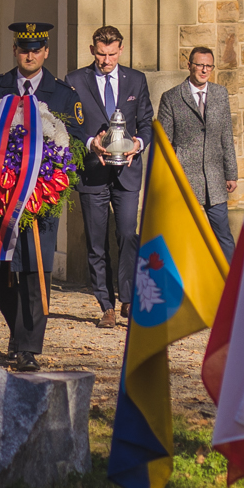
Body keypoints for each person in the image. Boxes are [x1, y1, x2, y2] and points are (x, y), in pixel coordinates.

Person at [0, 21, 82, 371]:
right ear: (15, 51)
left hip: (40, 198)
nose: (30, 54)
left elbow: (76, 144)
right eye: (24, 48)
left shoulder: (63, 94)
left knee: (35, 269)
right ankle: (18, 330)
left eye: (37, 49)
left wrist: (51, 178)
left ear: (46, 51)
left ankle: (28, 347)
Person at [66, 25, 154, 328]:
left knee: (128, 234)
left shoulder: (136, 80)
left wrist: (137, 146)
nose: (106, 60)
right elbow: (70, 128)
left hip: (128, 171)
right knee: (96, 241)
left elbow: (146, 123)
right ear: (92, 50)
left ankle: (128, 298)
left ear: (121, 50)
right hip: (92, 172)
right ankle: (106, 304)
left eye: (112, 54)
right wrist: (92, 143)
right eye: (101, 54)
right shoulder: (75, 81)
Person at [155, 45, 237, 256]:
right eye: (200, 65)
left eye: (209, 66)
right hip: (184, 177)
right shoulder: (171, 97)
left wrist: (231, 173)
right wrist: (168, 179)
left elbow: (226, 135)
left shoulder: (220, 94)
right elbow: (164, 144)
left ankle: (233, 283)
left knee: (223, 236)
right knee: (182, 234)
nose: (204, 70)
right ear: (189, 65)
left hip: (215, 177)